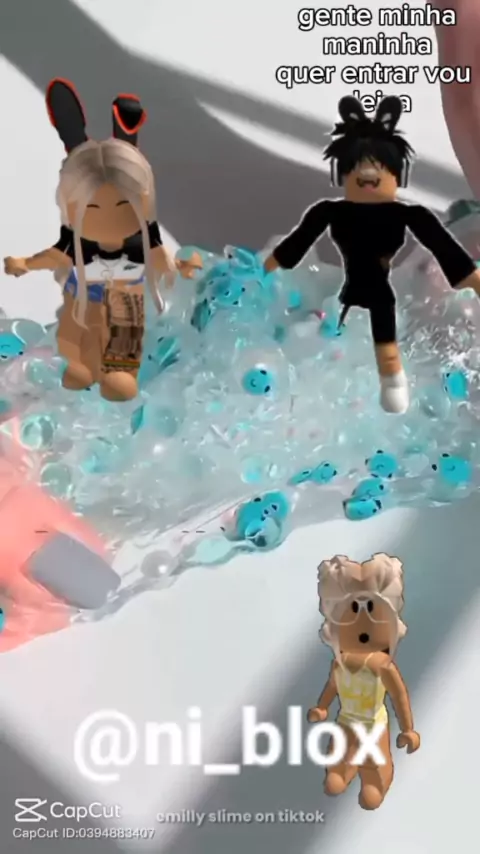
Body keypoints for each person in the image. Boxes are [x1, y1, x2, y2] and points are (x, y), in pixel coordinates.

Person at [264, 95, 480, 414]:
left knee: (382, 334)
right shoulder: (329, 212)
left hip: (382, 299)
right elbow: (294, 246)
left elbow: (446, 252)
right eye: (358, 172)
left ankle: (391, 378)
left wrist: (470, 280)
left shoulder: (410, 216)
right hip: (354, 299)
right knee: (343, 333)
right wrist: (265, 268)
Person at [3, 79, 197, 402]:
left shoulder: (142, 233)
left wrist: (180, 270)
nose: (108, 218)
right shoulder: (75, 236)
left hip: (125, 294)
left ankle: (119, 371)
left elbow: (159, 257)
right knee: (74, 333)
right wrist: (27, 263)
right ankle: (81, 365)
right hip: (82, 295)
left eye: (123, 208)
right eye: (92, 209)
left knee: (124, 333)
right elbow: (57, 255)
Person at [308, 553, 419, 810]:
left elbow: (398, 696)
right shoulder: (340, 664)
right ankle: (342, 770)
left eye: (371, 610)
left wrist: (408, 729)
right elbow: (333, 685)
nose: (362, 623)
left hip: (373, 725)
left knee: (373, 768)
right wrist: (322, 706)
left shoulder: (382, 667)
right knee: (337, 768)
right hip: (346, 721)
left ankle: (375, 780)